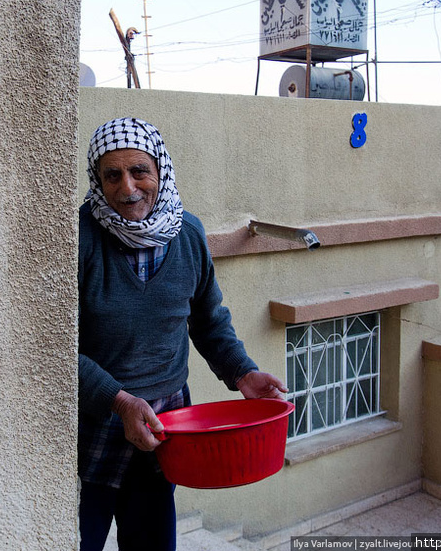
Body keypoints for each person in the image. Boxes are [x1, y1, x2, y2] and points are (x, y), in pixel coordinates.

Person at [77, 117, 287, 551]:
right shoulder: (79, 239)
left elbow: (208, 320)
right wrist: (119, 401)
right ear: (97, 180)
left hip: (165, 425)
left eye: (139, 172)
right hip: (94, 426)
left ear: (161, 172)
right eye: (111, 175)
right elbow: (56, 348)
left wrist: (243, 373)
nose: (128, 188)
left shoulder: (187, 234)